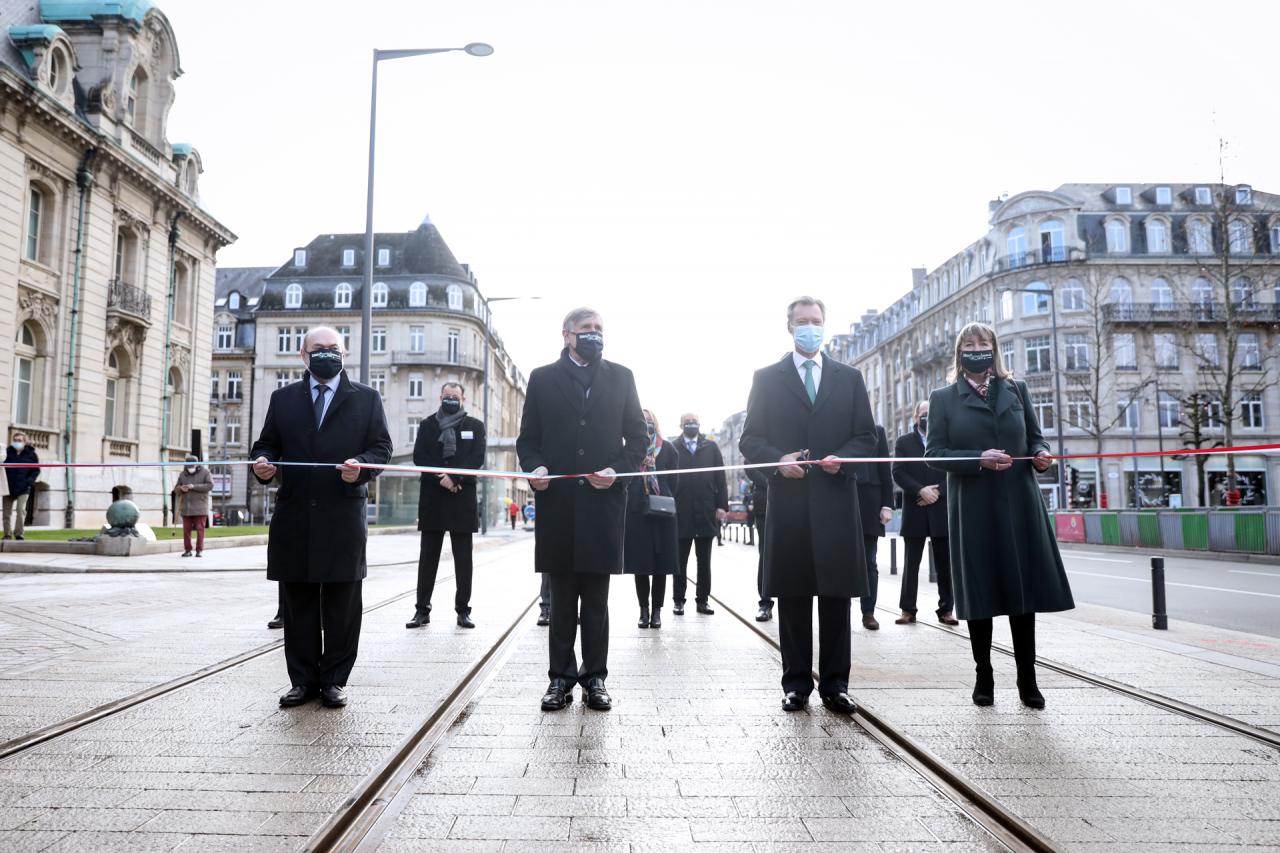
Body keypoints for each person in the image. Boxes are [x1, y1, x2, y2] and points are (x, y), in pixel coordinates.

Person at [924, 322, 1074, 709]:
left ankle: (1028, 678)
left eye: (984, 343)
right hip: (974, 506)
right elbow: (934, 454)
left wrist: (1041, 456)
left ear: (994, 348)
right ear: (960, 352)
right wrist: (977, 459)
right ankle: (984, 674)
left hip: (1019, 501)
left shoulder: (1017, 389)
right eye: (970, 344)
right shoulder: (943, 398)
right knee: (981, 590)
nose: (977, 349)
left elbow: (1035, 437)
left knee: (1022, 592)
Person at [740, 296, 876, 714]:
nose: (809, 328)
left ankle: (836, 684)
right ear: (789, 327)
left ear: (825, 325)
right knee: (794, 595)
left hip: (835, 502)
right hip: (790, 504)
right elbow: (750, 440)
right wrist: (778, 461)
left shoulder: (848, 378)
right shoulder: (766, 378)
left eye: (815, 321)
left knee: (836, 597)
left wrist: (844, 460)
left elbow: (866, 437)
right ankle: (796, 683)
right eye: (802, 322)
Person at [251, 326, 392, 709]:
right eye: (319, 349)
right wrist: (263, 464)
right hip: (295, 513)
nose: (326, 354)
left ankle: (334, 680)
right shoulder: (283, 399)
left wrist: (361, 466)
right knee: (298, 603)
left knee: (342, 604)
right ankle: (302, 680)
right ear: (303, 354)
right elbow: (266, 445)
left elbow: (381, 447)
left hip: (342, 514)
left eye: (333, 349)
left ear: (344, 355)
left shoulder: (366, 398)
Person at [517, 307, 646, 712]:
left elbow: (638, 440)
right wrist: (534, 468)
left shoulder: (622, 377)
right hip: (557, 506)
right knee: (560, 600)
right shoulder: (542, 378)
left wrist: (618, 472)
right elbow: (528, 440)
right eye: (587, 329)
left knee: (595, 601)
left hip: (602, 506)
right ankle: (560, 679)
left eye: (599, 329)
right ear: (567, 335)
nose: (595, 335)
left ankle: (595, 679)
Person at [406, 382, 486, 630]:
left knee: (464, 559)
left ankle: (463, 610)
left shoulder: (475, 426)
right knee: (427, 557)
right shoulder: (428, 425)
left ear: (464, 399)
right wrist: (443, 479)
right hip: (433, 498)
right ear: (440, 397)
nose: (451, 399)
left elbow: (475, 457)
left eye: (456, 396)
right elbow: (421, 456)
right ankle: (422, 610)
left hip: (462, 498)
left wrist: (455, 478)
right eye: (447, 396)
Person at [893, 400, 957, 626]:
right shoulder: (903, 442)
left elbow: (954, 470)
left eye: (932, 414)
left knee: (945, 566)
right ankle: (907, 610)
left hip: (941, 510)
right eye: (923, 414)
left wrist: (937, 491)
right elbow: (898, 472)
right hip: (916, 509)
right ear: (915, 417)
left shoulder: (947, 441)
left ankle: (946, 609)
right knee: (911, 566)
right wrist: (920, 489)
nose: (927, 418)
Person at [625, 409, 680, 629]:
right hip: (638, 511)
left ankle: (657, 611)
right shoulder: (631, 449)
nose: (646, 424)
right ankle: (643, 610)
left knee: (661, 565)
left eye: (649, 421)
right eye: (642, 421)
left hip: (662, 512)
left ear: (655, 423)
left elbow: (675, 482)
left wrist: (661, 493)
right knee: (640, 564)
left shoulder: (667, 449)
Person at [672, 414, 728, 615]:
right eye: (687, 422)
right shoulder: (674, 447)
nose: (691, 425)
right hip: (682, 511)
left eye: (694, 421)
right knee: (680, 561)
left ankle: (702, 600)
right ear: (681, 425)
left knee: (704, 561)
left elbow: (720, 476)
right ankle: (678, 600)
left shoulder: (710, 447)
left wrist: (722, 505)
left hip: (705, 510)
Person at [854, 426, 893, 630]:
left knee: (869, 561)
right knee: (839, 560)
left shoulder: (877, 431)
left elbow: (885, 469)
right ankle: (839, 610)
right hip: (842, 501)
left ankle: (868, 612)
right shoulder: (834, 427)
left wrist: (887, 504)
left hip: (870, 503)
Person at [746, 466, 773, 621]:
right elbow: (750, 462)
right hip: (765, 504)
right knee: (766, 554)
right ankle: (765, 602)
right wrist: (773, 478)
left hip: (796, 498)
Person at [174, 454, 213, 557]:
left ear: (196, 465)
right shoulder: (183, 474)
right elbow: (176, 488)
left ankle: (199, 550)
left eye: (192, 466)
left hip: (200, 507)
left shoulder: (205, 473)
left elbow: (210, 485)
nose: (190, 468)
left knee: (200, 530)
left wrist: (194, 486)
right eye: (188, 466)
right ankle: (188, 550)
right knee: (186, 531)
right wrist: (181, 488)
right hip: (186, 508)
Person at [3, 432, 38, 540]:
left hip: (23, 487)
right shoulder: (7, 452)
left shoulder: (31, 454)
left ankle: (19, 534)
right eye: (15, 440)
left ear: (25, 442)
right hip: (8, 486)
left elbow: (35, 470)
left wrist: (29, 482)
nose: (17, 442)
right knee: (6, 513)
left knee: (20, 510)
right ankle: (7, 534)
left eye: (19, 440)